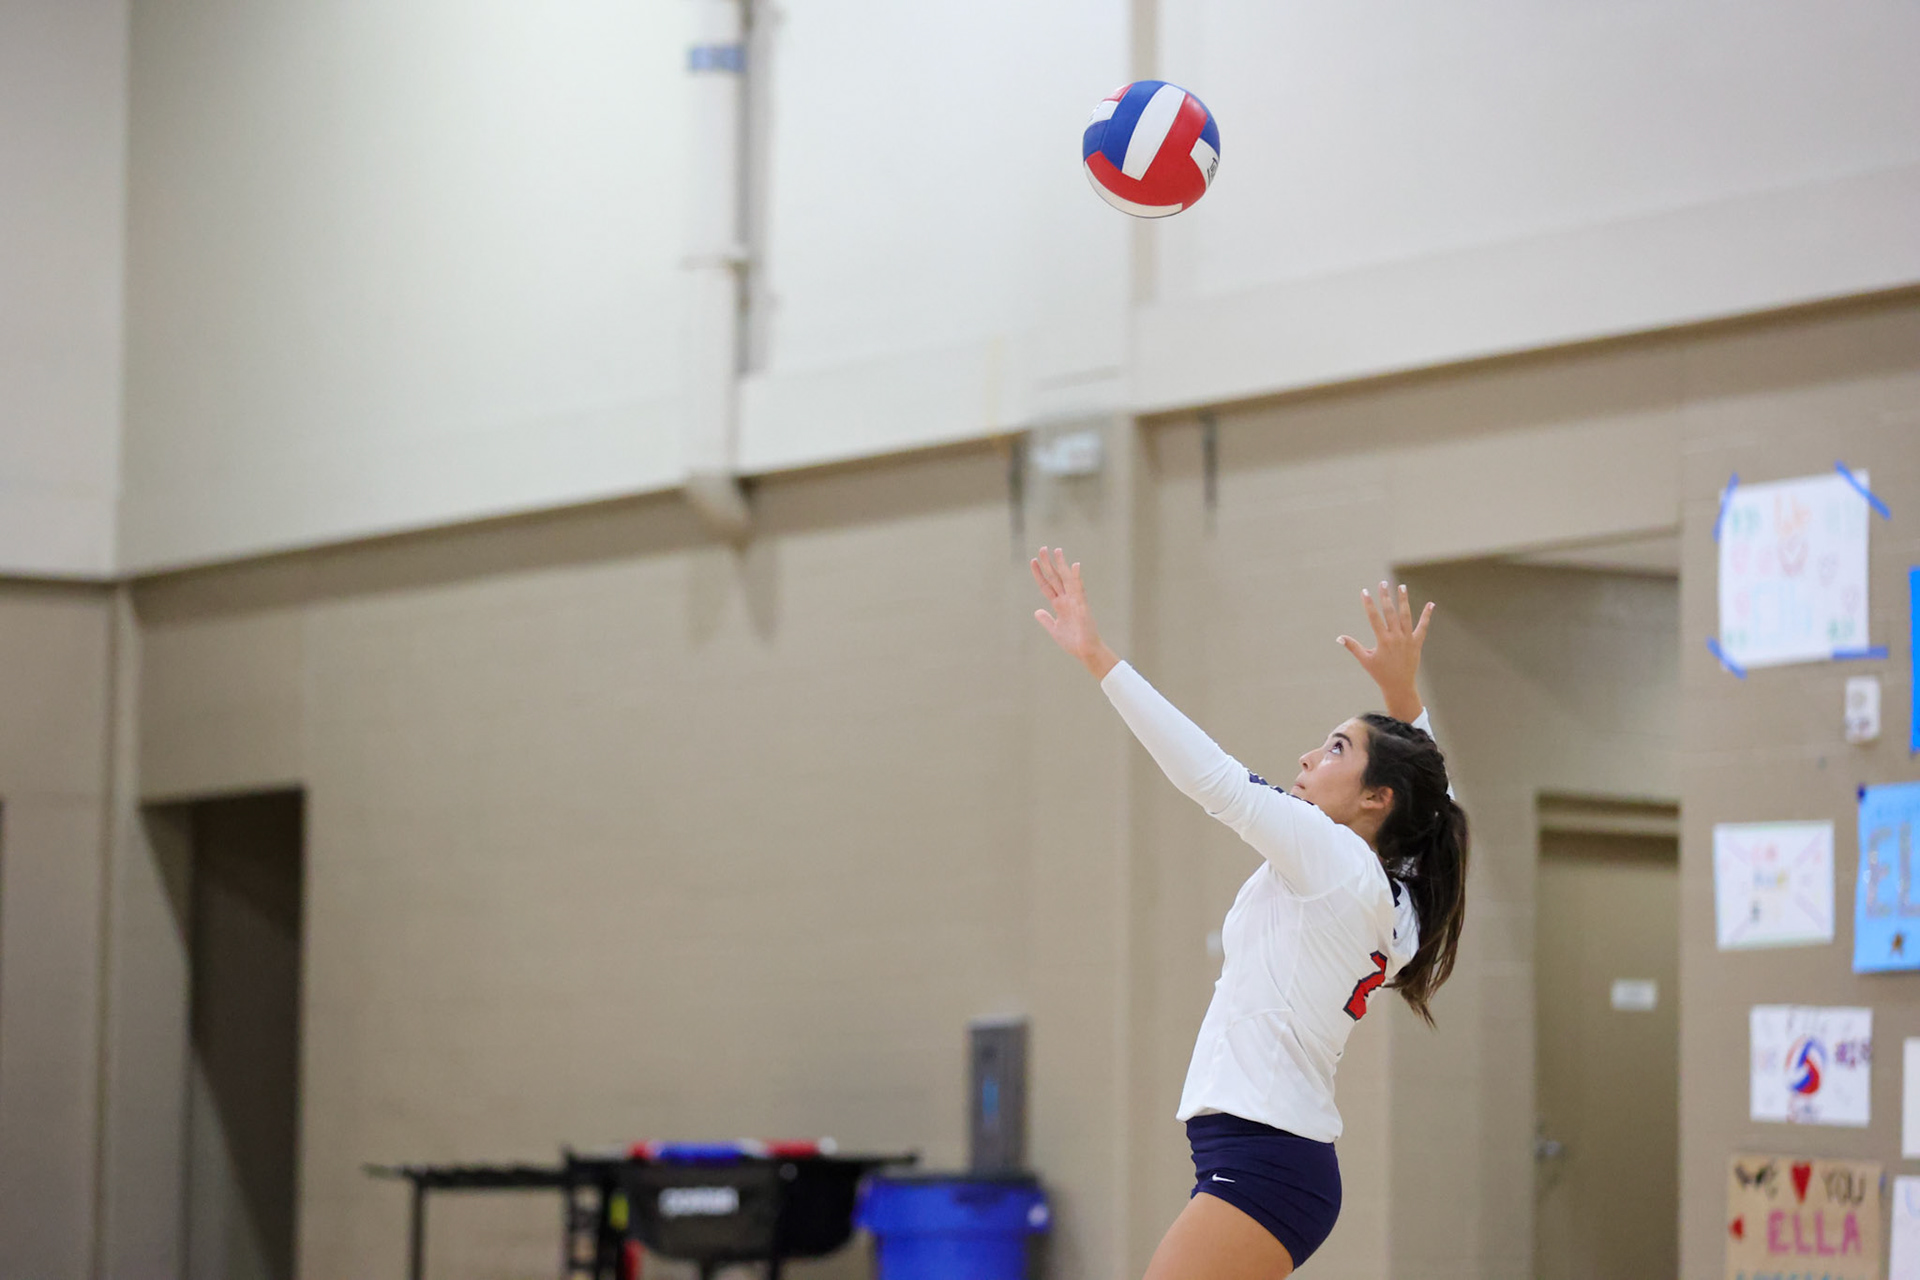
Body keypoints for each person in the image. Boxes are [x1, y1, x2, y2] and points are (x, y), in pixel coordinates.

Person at [1028, 548, 1469, 1279]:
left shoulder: (1336, 859)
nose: (1309, 757)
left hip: (1267, 1162)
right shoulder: (1399, 893)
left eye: (1336, 749)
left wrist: (1099, 657)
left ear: (1376, 798)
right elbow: (1441, 808)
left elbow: (1216, 781)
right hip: (1273, 1161)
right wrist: (1405, 699)